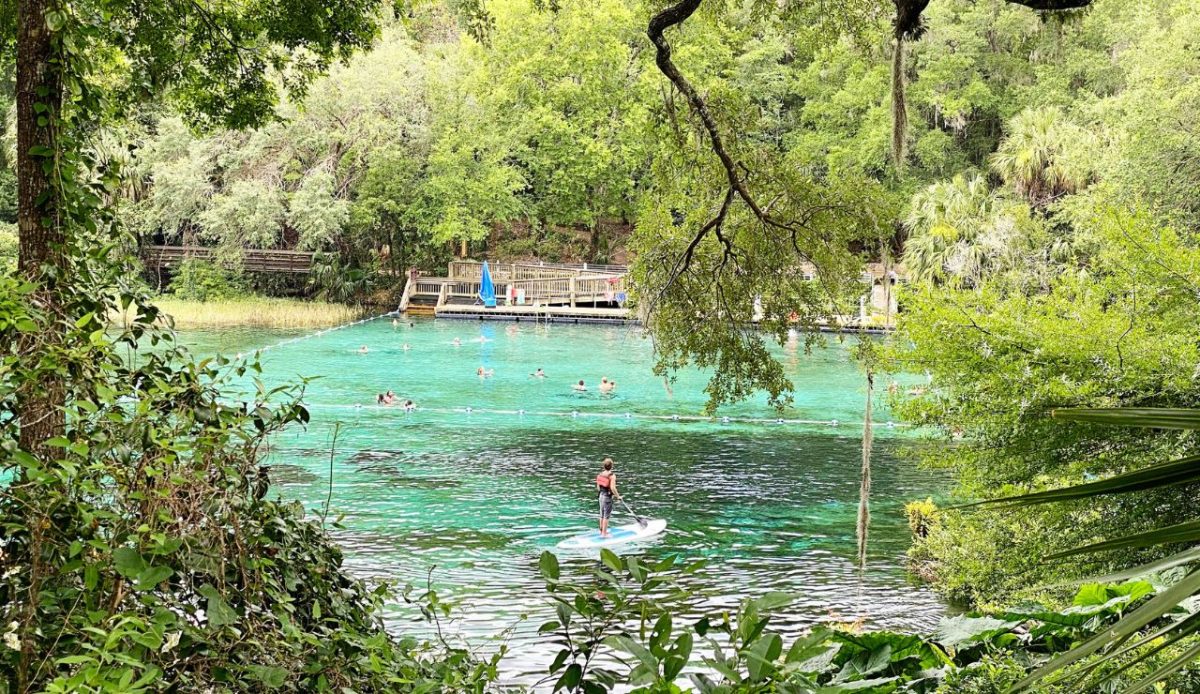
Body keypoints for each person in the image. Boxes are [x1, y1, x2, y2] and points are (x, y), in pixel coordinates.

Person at [596, 458, 620, 537]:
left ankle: (601, 531)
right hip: (607, 497)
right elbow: (613, 488)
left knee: (601, 514)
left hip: (600, 496)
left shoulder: (600, 474)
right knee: (606, 516)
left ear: (604, 466)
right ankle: (604, 534)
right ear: (611, 466)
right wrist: (618, 496)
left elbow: (598, 488)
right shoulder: (612, 476)